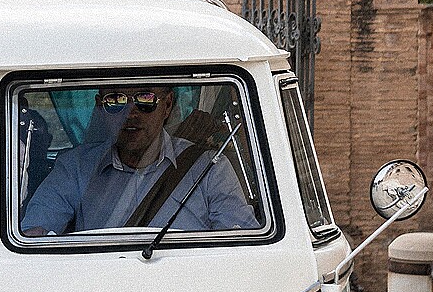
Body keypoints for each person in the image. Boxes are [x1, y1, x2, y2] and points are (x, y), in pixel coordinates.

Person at [21, 83, 258, 237]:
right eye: (116, 101)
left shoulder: (209, 168)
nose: (131, 112)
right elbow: (35, 233)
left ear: (166, 106)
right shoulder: (75, 167)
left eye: (145, 99)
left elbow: (242, 243)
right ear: (100, 108)